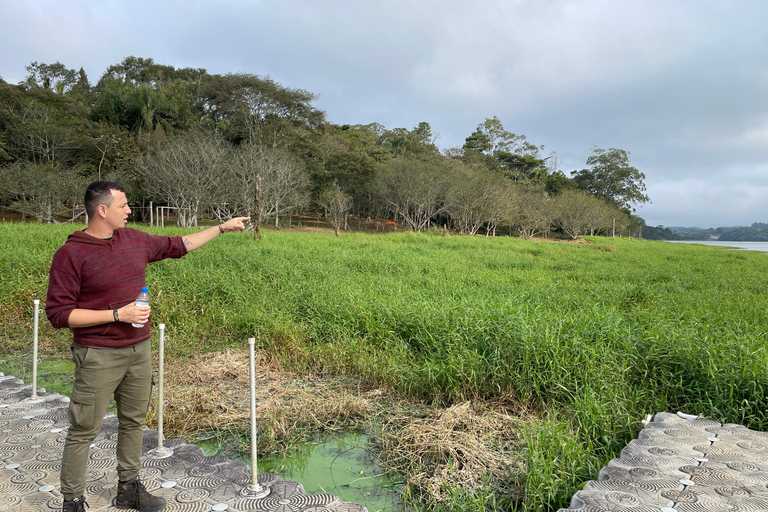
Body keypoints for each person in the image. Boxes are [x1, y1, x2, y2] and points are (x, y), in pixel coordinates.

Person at [46, 181, 249, 512]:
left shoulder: (135, 240)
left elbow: (180, 244)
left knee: (133, 422)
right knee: (84, 429)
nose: (129, 211)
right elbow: (58, 314)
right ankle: (73, 501)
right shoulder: (72, 254)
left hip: (139, 350)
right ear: (102, 210)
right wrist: (116, 314)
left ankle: (128, 489)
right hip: (97, 354)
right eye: (123, 205)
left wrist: (221, 228)